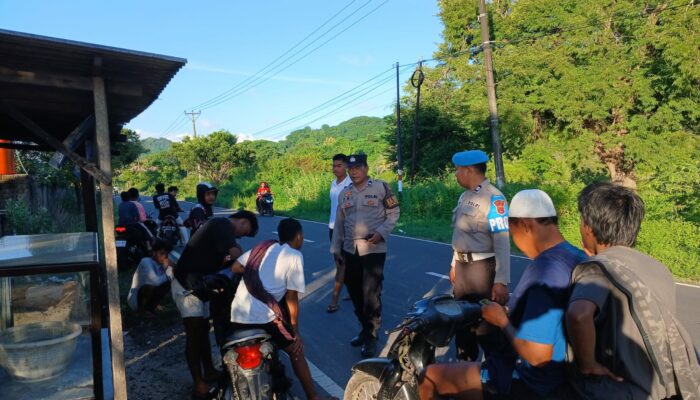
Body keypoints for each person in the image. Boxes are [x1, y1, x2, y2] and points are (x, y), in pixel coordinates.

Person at [418, 189, 587, 400]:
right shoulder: (576, 255)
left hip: (533, 380)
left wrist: (502, 321)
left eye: (512, 231)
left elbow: (537, 356)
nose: (513, 240)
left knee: (430, 377)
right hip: (568, 373)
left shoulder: (545, 270)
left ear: (526, 225)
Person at [566, 182, 700, 399]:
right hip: (660, 390)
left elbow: (579, 315)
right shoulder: (659, 268)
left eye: (582, 220)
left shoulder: (597, 268)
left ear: (589, 226)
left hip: (618, 390)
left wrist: (588, 365)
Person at [230, 218, 335, 400]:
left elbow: (235, 267)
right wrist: (295, 331)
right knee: (296, 350)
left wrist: (255, 276)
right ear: (299, 236)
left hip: (238, 315)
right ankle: (313, 397)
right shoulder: (294, 255)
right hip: (264, 318)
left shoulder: (262, 248)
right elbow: (292, 297)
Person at [172, 210, 259, 399]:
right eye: (243, 232)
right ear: (243, 221)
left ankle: (209, 370)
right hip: (186, 285)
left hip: (199, 287)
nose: (239, 237)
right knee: (194, 334)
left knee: (203, 330)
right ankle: (199, 384)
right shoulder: (222, 224)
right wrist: (255, 270)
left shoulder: (219, 231)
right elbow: (238, 256)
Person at [330, 153, 400, 357]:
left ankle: (371, 336)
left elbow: (394, 212)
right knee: (354, 292)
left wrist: (382, 232)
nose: (354, 172)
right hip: (350, 250)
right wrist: (336, 249)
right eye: (351, 169)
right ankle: (364, 328)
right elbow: (339, 223)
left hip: (373, 249)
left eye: (358, 168)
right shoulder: (345, 194)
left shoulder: (381, 188)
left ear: (366, 168)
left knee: (371, 293)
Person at [449, 150, 510, 361]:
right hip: (463, 269)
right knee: (462, 324)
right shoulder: (465, 196)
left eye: (457, 171)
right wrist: (454, 263)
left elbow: (502, 240)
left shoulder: (494, 199)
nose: (455, 175)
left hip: (483, 270)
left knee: (486, 327)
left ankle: (496, 375)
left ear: (469, 170)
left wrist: (501, 280)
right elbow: (459, 234)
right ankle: (463, 371)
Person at [327, 153, 351, 313]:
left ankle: (334, 300)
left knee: (342, 265)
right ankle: (352, 290)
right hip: (332, 227)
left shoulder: (351, 184)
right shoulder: (333, 183)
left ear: (346, 167)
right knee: (340, 262)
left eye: (339, 165)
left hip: (346, 228)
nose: (335, 169)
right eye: (334, 165)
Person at [126, 240, 174, 313]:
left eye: (166, 254)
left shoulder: (162, 264)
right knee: (150, 287)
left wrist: (169, 268)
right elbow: (155, 282)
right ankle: (141, 310)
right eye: (161, 253)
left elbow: (171, 278)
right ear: (154, 252)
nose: (164, 257)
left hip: (149, 297)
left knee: (167, 283)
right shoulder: (146, 261)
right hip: (135, 300)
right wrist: (169, 269)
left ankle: (152, 306)